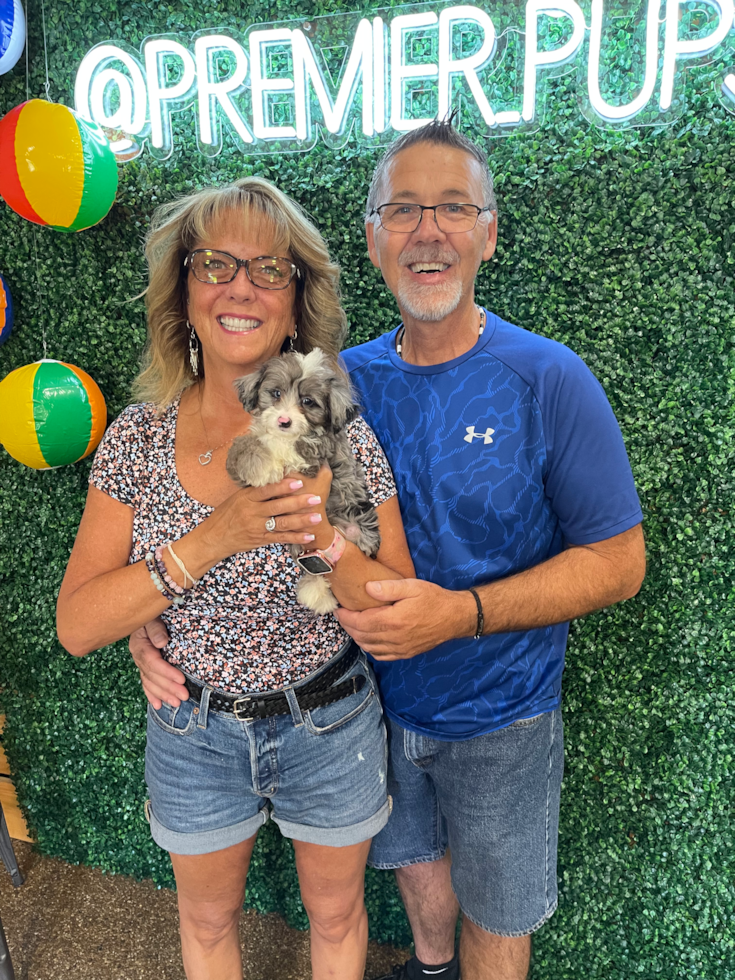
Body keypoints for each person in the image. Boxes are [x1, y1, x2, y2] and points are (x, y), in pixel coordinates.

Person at [130, 121, 646, 980]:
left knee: (496, 915)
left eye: (453, 207)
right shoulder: (332, 384)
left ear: (489, 230)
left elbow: (619, 561)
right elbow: (238, 520)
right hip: (365, 704)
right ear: (373, 238)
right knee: (414, 885)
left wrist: (462, 614)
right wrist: (152, 622)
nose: (427, 230)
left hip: (501, 717)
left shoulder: (548, 378)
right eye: (403, 209)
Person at [56, 176, 415, 980]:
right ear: (183, 290)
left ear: (296, 304)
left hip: (330, 722)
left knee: (335, 916)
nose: (240, 287)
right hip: (193, 732)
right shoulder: (137, 439)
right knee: (208, 921)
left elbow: (396, 599)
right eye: (215, 264)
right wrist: (213, 539)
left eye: (268, 270)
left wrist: (322, 538)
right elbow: (78, 624)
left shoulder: (335, 427)